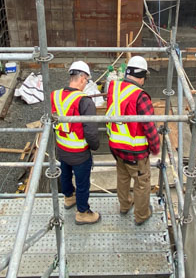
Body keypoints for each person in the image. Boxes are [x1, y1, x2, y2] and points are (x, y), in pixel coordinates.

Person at [106, 55, 160, 225]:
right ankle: (141, 215)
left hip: (116, 147)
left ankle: (124, 206)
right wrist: (155, 147)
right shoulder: (140, 96)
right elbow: (149, 126)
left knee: (122, 178)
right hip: (135, 152)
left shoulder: (114, 88)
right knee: (142, 183)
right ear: (143, 75)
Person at [51, 61, 100, 224]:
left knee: (65, 175)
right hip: (79, 153)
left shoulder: (55, 95)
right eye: (86, 80)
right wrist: (95, 146)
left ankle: (68, 198)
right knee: (82, 183)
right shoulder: (85, 101)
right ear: (82, 78)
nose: (86, 84)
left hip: (62, 149)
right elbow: (91, 130)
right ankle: (83, 213)